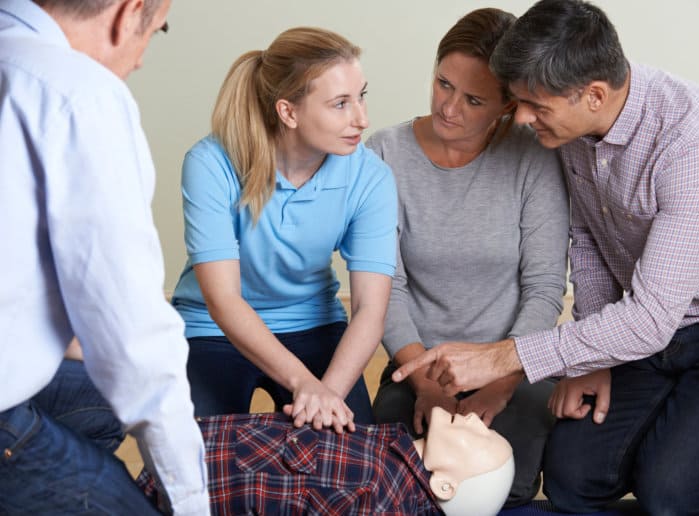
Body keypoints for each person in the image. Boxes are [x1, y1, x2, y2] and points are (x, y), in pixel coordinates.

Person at [393, 0, 699, 513]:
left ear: (594, 94)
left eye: (535, 106)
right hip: (657, 326)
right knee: (573, 482)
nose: (524, 120)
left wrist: (502, 357)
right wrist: (590, 357)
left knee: (670, 496)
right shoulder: (575, 127)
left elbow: (649, 318)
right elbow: (592, 239)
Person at [0, 0, 209, 514]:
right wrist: (190, 501)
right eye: (156, 32)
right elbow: (134, 340)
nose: (139, 61)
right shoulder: (77, 93)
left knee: (101, 405)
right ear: (128, 12)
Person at [366, 7, 568, 507]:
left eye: (473, 98)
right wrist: (424, 385)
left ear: (507, 106)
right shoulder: (384, 153)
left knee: (506, 486)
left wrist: (499, 383)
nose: (448, 108)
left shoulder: (534, 156)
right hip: (419, 367)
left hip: (511, 366)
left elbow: (544, 286)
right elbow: (385, 283)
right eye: (443, 84)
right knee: (405, 483)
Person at [170, 27, 397, 431]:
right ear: (288, 112)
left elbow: (369, 309)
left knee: (351, 462)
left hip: (313, 323)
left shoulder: (371, 176)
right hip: (210, 327)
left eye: (361, 95)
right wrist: (303, 384)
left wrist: (328, 392)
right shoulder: (210, 164)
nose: (362, 118)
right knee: (197, 463)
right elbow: (224, 301)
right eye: (340, 104)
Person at [137, 406, 514, 516]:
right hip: (187, 447)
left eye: (479, 439)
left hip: (177, 485)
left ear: (444, 485)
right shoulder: (389, 451)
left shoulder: (382, 499)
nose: (475, 422)